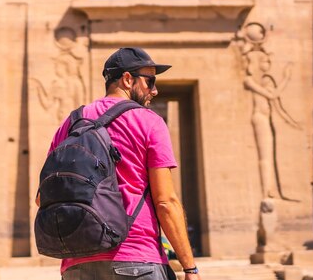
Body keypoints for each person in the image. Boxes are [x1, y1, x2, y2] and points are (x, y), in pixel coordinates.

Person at [39, 47, 201, 280]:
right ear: (127, 79)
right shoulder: (149, 122)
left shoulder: (72, 122)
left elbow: (42, 197)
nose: (154, 90)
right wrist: (189, 268)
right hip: (137, 258)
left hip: (77, 265)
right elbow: (166, 202)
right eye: (150, 81)